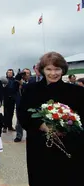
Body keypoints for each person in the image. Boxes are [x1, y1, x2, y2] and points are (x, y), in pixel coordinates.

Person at [18, 52, 84, 185]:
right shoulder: (30, 90)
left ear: (63, 70)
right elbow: (23, 114)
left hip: (69, 146)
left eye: (57, 69)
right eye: (49, 69)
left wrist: (67, 127)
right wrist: (42, 125)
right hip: (40, 146)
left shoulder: (76, 92)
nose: (53, 73)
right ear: (42, 70)